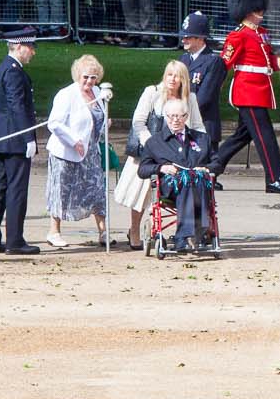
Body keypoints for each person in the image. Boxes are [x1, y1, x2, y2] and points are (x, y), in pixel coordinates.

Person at [210, 0, 280, 196]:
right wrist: (211, 90)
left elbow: (269, 62)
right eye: (256, 7)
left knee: (243, 135)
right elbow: (224, 64)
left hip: (261, 90)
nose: (261, 11)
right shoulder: (238, 35)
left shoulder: (261, 33)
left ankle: (209, 170)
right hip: (247, 92)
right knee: (265, 136)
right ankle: (275, 179)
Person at [115, 59, 192, 248]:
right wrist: (153, 145)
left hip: (177, 154)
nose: (173, 79)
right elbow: (138, 122)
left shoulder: (190, 99)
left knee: (165, 196)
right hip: (149, 151)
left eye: (177, 76)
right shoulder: (152, 93)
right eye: (169, 74)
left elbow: (197, 126)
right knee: (141, 195)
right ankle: (134, 230)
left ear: (183, 80)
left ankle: (159, 231)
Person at [44, 55, 112, 247]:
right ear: (77, 76)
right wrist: (74, 140)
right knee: (62, 191)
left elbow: (98, 118)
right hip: (66, 152)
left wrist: (105, 124)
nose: (89, 81)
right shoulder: (66, 94)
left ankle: (103, 231)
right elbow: (54, 123)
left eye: (93, 77)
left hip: (91, 153)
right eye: (85, 77)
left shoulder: (98, 91)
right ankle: (54, 231)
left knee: (97, 190)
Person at [0, 30, 41, 254]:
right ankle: (15, 239)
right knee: (15, 189)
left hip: (3, 135)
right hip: (14, 137)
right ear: (19, 46)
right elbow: (17, 106)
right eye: (30, 47)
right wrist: (28, 137)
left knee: (0, 187)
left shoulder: (6, 67)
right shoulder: (13, 71)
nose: (32, 52)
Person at [139, 97, 219, 254]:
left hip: (199, 185)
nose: (175, 120)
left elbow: (217, 163)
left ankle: (190, 236)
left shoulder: (202, 139)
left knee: (194, 180)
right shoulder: (154, 142)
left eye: (179, 116)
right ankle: (189, 235)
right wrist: (161, 168)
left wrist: (206, 169)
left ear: (186, 117)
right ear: (165, 117)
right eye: (171, 116)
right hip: (171, 188)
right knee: (186, 180)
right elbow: (143, 170)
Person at [175, 12, 227, 155]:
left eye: (188, 37)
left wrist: (179, 113)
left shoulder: (213, 62)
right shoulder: (183, 59)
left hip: (204, 128)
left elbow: (203, 99)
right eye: (183, 36)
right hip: (182, 125)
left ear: (201, 38)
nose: (183, 40)